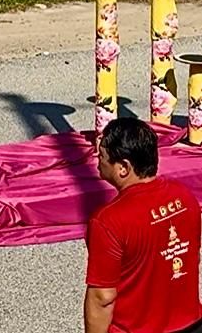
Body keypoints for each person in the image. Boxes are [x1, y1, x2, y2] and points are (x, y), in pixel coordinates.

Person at [84, 117, 201, 333]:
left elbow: (103, 298)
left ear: (123, 167)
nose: (97, 162)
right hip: (192, 325)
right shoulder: (185, 198)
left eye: (102, 156)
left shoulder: (108, 221)